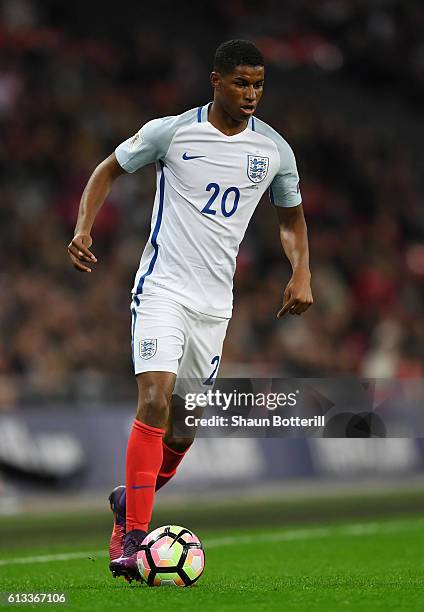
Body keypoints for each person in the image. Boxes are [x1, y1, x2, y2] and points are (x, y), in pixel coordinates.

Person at [67, 39, 313, 582]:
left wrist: (301, 271)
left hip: (214, 306)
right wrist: (83, 227)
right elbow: (108, 168)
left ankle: (125, 501)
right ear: (216, 81)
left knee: (182, 433)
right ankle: (133, 539)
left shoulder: (274, 150)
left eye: (259, 85)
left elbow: (291, 218)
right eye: (241, 83)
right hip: (163, 290)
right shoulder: (172, 132)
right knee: (154, 399)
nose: (251, 94)